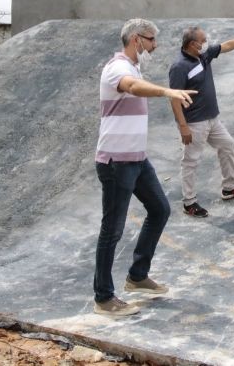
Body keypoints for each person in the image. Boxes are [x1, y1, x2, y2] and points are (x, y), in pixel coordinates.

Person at [93, 18, 196, 317]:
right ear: (137, 39)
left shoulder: (134, 66)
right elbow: (132, 87)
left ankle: (137, 276)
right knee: (111, 230)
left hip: (137, 159)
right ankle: (103, 298)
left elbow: (136, 82)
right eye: (151, 40)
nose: (155, 46)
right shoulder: (118, 67)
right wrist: (167, 92)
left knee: (160, 209)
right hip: (116, 162)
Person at [168, 26, 234, 217]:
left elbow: (227, 46)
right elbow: (174, 98)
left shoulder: (203, 56)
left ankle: (229, 187)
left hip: (212, 118)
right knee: (191, 161)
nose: (206, 42)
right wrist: (183, 126)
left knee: (227, 144)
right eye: (203, 40)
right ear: (192, 44)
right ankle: (189, 202)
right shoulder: (179, 67)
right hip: (194, 122)